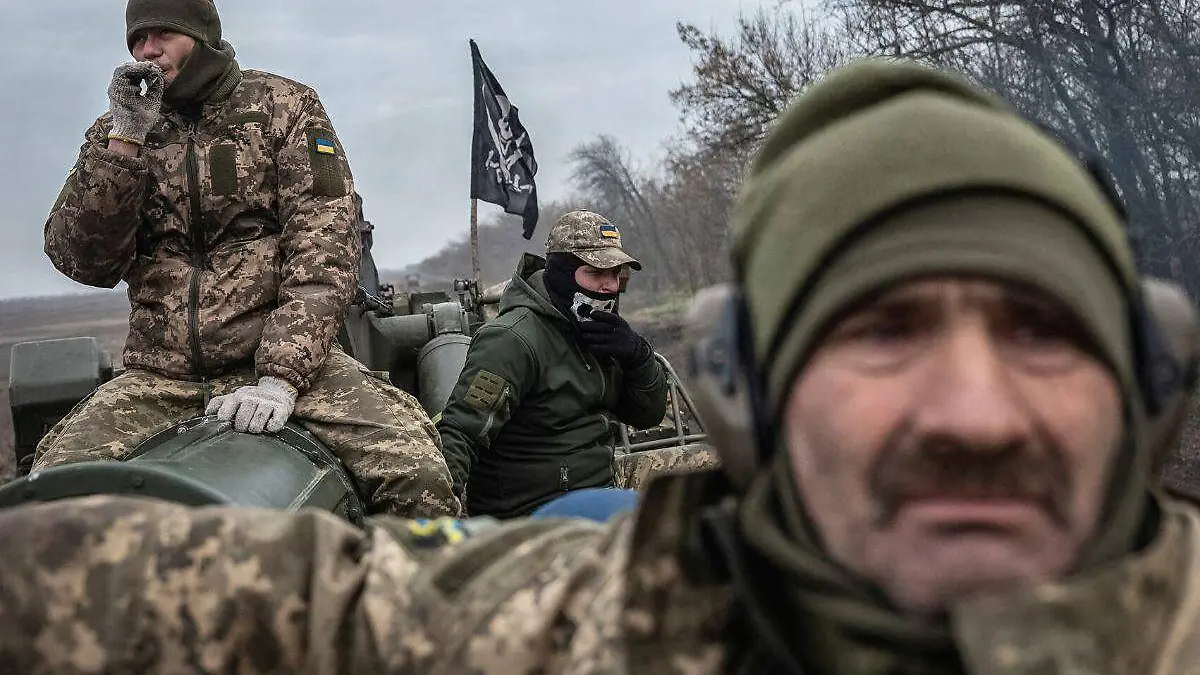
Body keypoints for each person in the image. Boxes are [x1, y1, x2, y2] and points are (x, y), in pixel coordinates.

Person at [3, 58, 1200, 673]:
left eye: (1046, 332)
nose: (976, 411)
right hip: (542, 516)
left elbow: (650, 407)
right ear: (756, 389)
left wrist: (625, 354)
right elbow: (412, 498)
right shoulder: (584, 612)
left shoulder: (604, 336)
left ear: (1145, 379)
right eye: (882, 334)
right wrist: (463, 540)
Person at [31, 0, 459, 519]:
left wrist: (280, 375)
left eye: (163, 34)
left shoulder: (283, 107)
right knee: (45, 498)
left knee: (419, 477)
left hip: (286, 367)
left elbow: (324, 249)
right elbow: (83, 260)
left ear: (201, 35)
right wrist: (124, 143)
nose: (147, 50)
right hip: (160, 377)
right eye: (137, 39)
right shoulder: (119, 133)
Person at [437, 209, 668, 517]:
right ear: (561, 273)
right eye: (596, 273)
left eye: (615, 274)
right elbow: (460, 432)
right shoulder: (512, 339)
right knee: (660, 522)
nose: (610, 286)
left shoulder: (600, 331)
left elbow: (648, 415)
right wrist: (442, 524)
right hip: (536, 509)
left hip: (599, 485)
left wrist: (638, 357)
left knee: (704, 475)